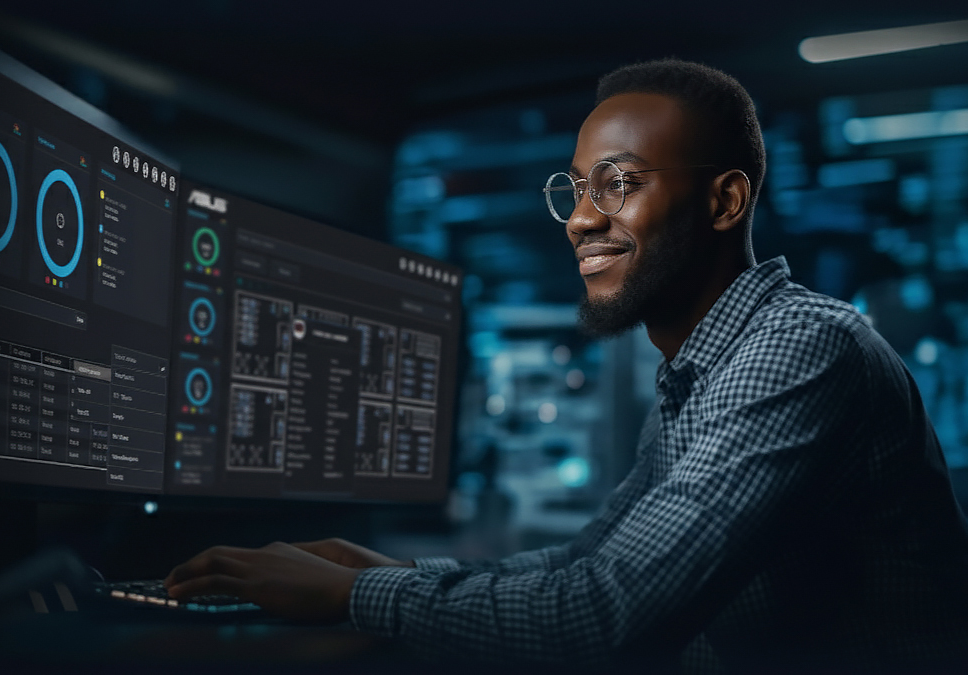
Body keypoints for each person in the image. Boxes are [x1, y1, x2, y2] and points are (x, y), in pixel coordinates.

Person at [164, 59, 968, 672]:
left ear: (726, 202)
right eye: (579, 188)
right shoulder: (698, 374)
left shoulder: (798, 348)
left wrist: (356, 594)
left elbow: (605, 611)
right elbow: (593, 558)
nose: (583, 218)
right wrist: (399, 568)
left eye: (620, 184)